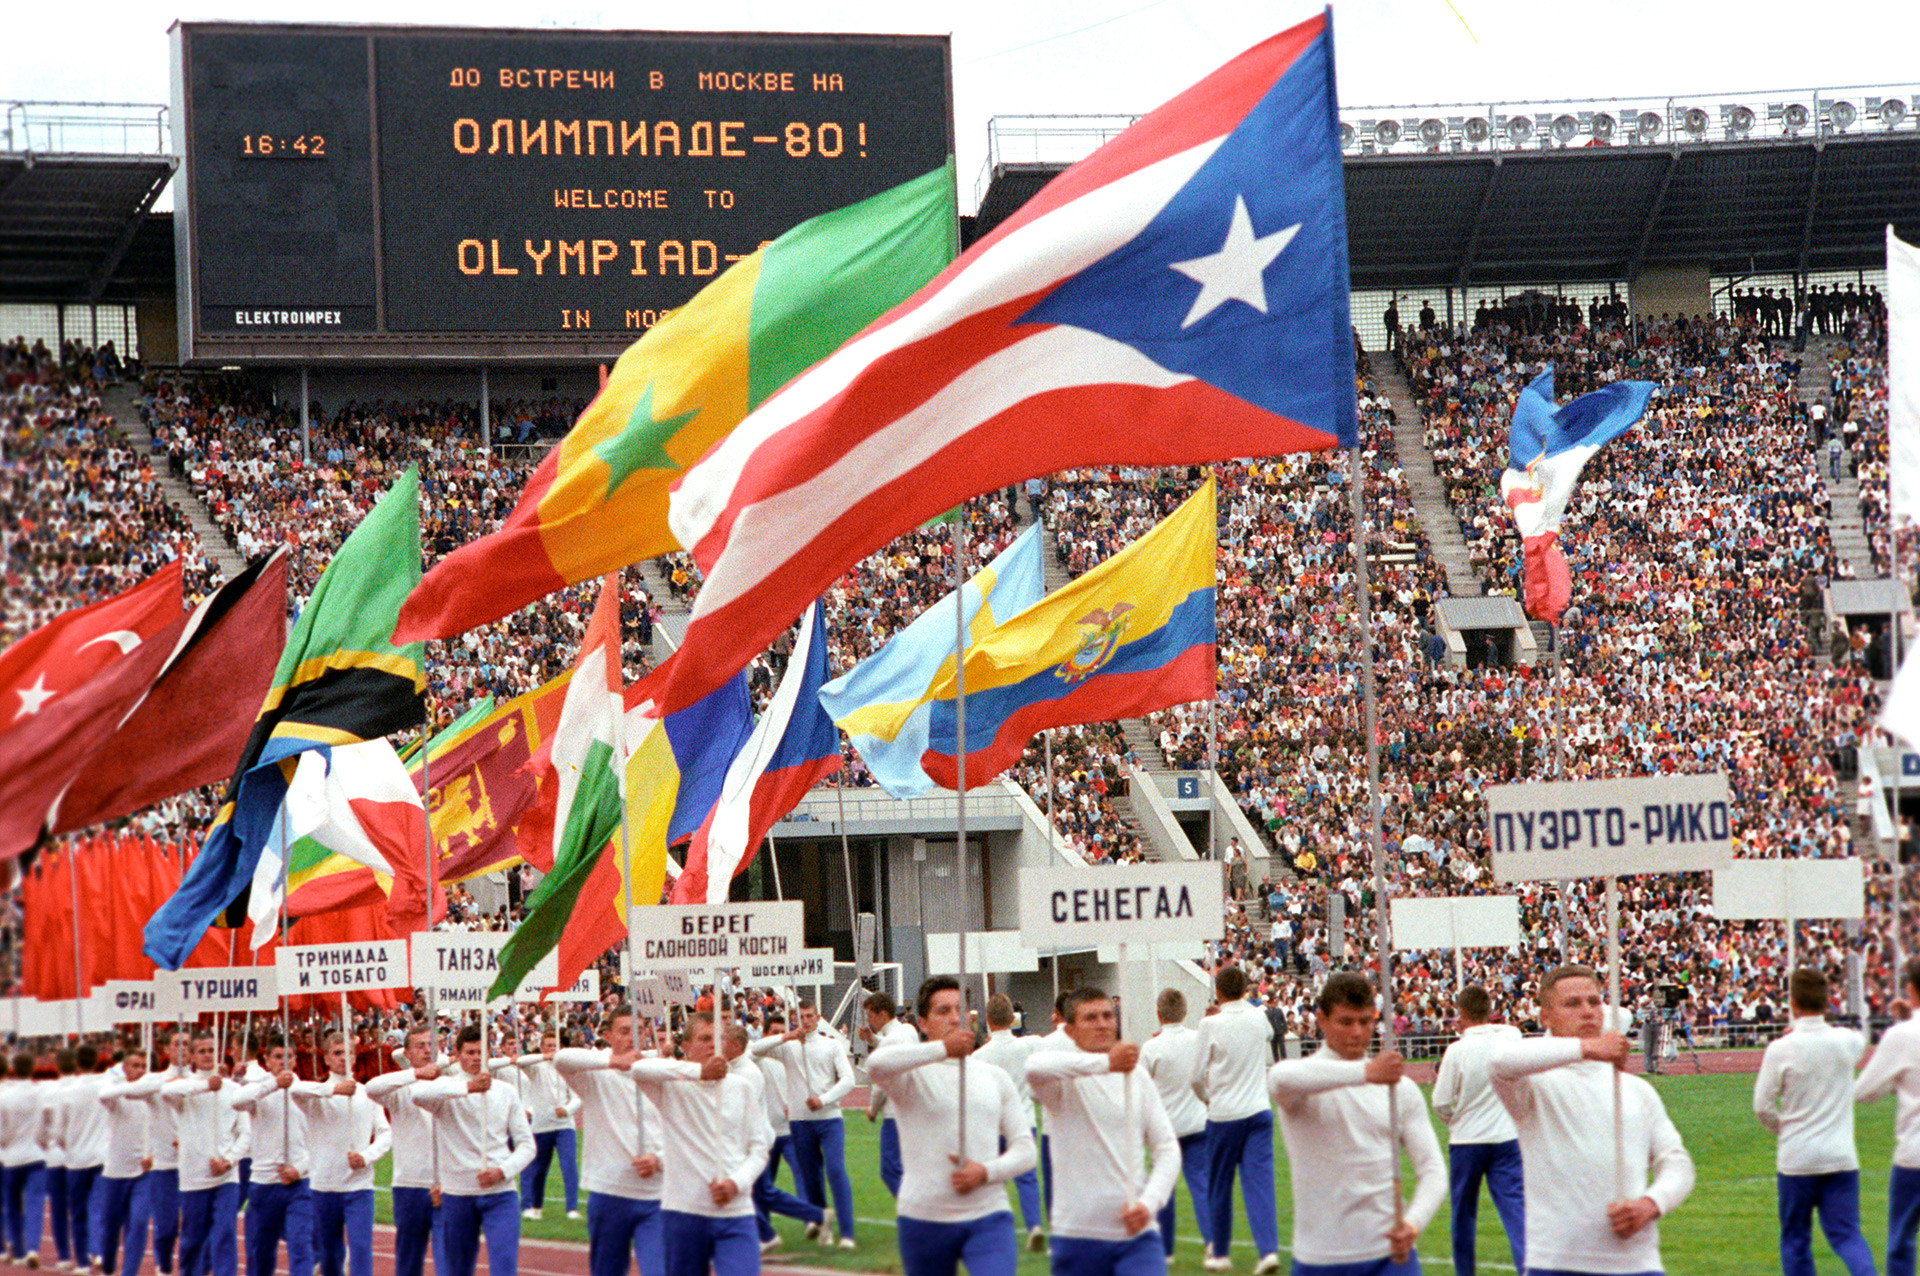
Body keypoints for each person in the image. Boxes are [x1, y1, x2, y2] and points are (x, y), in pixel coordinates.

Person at [1489, 964, 1695, 1276]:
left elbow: (1677, 1163)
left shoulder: (1637, 1091)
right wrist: (1586, 1048)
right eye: (1572, 1004)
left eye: (1594, 1002)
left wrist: (1651, 1203)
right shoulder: (1534, 1087)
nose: (1587, 1012)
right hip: (1557, 1263)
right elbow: (1500, 1062)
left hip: (1637, 1264)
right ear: (1545, 1017)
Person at [1271, 973, 1445, 1276]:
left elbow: (1432, 1170)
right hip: (1320, 1258)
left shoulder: (1398, 1089)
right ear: (1322, 1020)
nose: (1357, 1032)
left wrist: (1414, 1222)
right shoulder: (1303, 1081)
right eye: (1346, 1021)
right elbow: (1279, 1079)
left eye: (1365, 1022)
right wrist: (1365, 1073)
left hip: (1389, 1256)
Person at [867, 977, 1035, 1276]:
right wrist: (941, 1049)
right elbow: (876, 1065)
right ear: (922, 1022)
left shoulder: (994, 1077)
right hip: (923, 1218)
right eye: (943, 1011)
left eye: (960, 1009)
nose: (955, 1018)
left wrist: (986, 1171)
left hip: (989, 1216)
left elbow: (1025, 1150)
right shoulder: (911, 1076)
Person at [1027, 986, 1179, 1276]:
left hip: (1137, 1235)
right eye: (1091, 1017)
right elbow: (1034, 1068)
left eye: (1108, 1015)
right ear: (1070, 1031)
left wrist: (1149, 1203)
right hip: (1077, 1235)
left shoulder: (1137, 1076)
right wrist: (1106, 1063)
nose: (1103, 1023)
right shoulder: (1062, 1083)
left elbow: (1167, 1149)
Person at [632, 1014, 772, 1276]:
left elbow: (758, 1150)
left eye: (718, 1039)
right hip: (684, 1212)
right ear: (685, 1046)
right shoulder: (671, 1087)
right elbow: (639, 1070)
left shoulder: (742, 1087)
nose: (713, 1045)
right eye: (705, 1039)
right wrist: (699, 1072)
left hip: (735, 1212)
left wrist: (736, 1183)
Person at [1754, 968, 1872, 1276]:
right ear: (1828, 1002)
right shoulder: (1845, 1041)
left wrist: (1785, 1129)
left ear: (1793, 1003)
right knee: (1847, 1236)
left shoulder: (1780, 1049)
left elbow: (1762, 1106)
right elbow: (1862, 1040)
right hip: (1840, 1156)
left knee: (1795, 1240)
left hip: (1798, 1159)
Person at [411, 1026, 535, 1276]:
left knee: (504, 1265)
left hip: (500, 1193)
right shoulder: (446, 1088)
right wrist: (468, 1088)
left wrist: (503, 1171)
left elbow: (527, 1145)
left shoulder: (506, 1091)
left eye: (481, 1051)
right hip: (458, 1194)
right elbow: (417, 1094)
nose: (477, 1057)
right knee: (458, 1268)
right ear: (457, 1054)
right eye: (470, 1052)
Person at [553, 1007, 666, 1276]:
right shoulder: (596, 1076)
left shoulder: (661, 1072)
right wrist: (615, 1062)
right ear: (608, 1035)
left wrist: (658, 1158)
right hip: (609, 1194)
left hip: (658, 1195)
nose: (632, 1038)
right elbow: (561, 1058)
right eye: (624, 1031)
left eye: (638, 1031)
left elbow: (682, 1131)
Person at [1431, 986, 1524, 1276]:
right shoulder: (1508, 1038)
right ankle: (1529, 1267)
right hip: (1506, 1136)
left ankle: (1465, 1271)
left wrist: (1454, 1122)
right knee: (1515, 1208)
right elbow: (1507, 1031)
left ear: (1460, 1013)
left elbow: (1441, 1102)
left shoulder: (1457, 1050)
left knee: (1463, 1213)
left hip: (1467, 1140)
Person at [749, 999, 855, 1247]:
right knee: (810, 1177)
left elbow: (848, 1080)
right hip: (800, 1122)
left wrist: (824, 1099)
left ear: (818, 1018)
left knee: (836, 1170)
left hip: (829, 1119)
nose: (805, 1021)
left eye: (810, 1016)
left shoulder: (831, 1046)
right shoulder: (788, 1047)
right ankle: (823, 1228)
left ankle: (848, 1234)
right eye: (801, 1016)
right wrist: (785, 1036)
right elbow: (754, 1050)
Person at [1193, 965, 1279, 1272]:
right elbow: (1269, 1034)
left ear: (1218, 992)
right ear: (1245, 988)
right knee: (1260, 1184)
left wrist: (1207, 1097)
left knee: (1219, 1185)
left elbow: (1195, 1077)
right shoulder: (1259, 1016)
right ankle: (1268, 1249)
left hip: (1224, 1114)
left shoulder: (1209, 1025)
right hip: (1258, 1109)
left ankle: (1220, 1253)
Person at [717, 1018, 821, 1254]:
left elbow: (745, 1112)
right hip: (762, 1137)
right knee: (759, 1192)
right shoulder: (748, 1062)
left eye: (723, 1040)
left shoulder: (751, 1071)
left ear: (734, 1044)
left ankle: (803, 1221)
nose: (719, 1044)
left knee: (759, 1190)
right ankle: (768, 1234)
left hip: (764, 1139)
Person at [295, 1031, 391, 1276]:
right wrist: (334, 1090)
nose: (343, 1058)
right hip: (324, 1187)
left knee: (360, 1250)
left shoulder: (367, 1094)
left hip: (359, 1187)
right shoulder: (317, 1095)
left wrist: (367, 1156)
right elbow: (296, 1090)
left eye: (348, 1052)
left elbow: (385, 1133)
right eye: (337, 1053)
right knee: (329, 1256)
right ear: (326, 1058)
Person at [161, 1030, 248, 1276]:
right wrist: (203, 1086)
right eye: (202, 1051)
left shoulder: (232, 1089)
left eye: (211, 1050)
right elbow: (166, 1093)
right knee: (192, 1238)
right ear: (191, 1056)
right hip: (193, 1177)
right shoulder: (186, 1090)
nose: (208, 1055)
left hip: (225, 1177)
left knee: (224, 1233)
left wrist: (229, 1160)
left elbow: (245, 1134)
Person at [225, 1035, 313, 1276]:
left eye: (288, 1057)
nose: (283, 1062)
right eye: (277, 1057)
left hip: (298, 1185)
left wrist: (300, 1169)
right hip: (264, 1183)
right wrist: (273, 1084)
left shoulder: (305, 1091)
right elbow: (237, 1101)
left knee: (300, 1246)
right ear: (267, 1059)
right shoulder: (260, 1090)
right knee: (260, 1255)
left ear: (295, 1060)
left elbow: (316, 1142)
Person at [365, 1024, 447, 1276]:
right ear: (407, 1053)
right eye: (419, 1046)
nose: (426, 1051)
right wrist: (416, 1073)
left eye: (430, 1045)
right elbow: (372, 1088)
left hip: (448, 1184)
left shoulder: (452, 1085)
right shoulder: (400, 1088)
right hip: (409, 1185)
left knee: (450, 1260)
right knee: (408, 1262)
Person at [1857, 955, 1920, 1276]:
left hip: (1914, 1157)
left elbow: (1865, 1092)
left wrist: (1899, 1083)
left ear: (1910, 989)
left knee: (1901, 1243)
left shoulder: (1902, 1037)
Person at [1138, 989, 1211, 1261]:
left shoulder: (1151, 1047)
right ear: (1185, 1011)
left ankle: (1166, 1250)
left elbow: (1141, 1089)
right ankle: (1212, 1241)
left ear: (1158, 1013)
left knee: (1163, 1189)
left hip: (1166, 1128)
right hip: (1196, 1122)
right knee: (1201, 1185)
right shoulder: (1197, 1040)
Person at [974, 994, 1048, 1252]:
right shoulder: (1030, 1046)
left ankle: (993, 1231)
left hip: (995, 1124)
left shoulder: (980, 1056)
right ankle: (1034, 1226)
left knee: (994, 1180)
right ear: (1013, 1018)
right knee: (1027, 1178)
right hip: (1025, 1120)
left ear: (988, 1020)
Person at [504, 1030, 581, 1221]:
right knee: (538, 1169)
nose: (552, 1050)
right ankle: (534, 1206)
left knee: (569, 1165)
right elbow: (520, 1061)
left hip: (565, 1125)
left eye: (555, 1046)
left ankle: (572, 1208)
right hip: (541, 1125)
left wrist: (568, 1109)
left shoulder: (567, 1069)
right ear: (542, 1048)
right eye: (548, 1046)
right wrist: (544, 1056)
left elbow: (578, 1096)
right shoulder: (536, 1067)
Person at [92, 1047, 155, 1276]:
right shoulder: (116, 1095)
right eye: (134, 1066)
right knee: (111, 1230)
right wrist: (128, 1084)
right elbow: (102, 1095)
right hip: (115, 1172)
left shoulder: (152, 1096)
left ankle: (129, 1272)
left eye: (143, 1066)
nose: (139, 1070)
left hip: (142, 1173)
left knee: (138, 1225)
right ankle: (107, 1265)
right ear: (125, 1068)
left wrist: (154, 1154)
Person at [860, 993, 919, 1201]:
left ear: (882, 1015)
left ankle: (916, 1211)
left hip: (894, 1113)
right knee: (910, 1168)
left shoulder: (888, 1043)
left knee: (890, 1171)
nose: (868, 1020)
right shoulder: (909, 1030)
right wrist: (872, 1039)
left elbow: (880, 1085)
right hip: (914, 1108)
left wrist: (872, 1110)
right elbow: (893, 1046)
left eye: (870, 1015)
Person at [64, 1046, 110, 1273]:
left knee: (78, 1211)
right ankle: (99, 1252)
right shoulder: (105, 1085)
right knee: (98, 1208)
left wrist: (64, 1144)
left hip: (77, 1158)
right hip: (101, 1155)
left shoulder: (69, 1091)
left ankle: (82, 1261)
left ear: (76, 1062)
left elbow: (60, 1126)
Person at [0, 1054, 47, 1266]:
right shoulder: (41, 1092)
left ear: (13, 1068)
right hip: (36, 1154)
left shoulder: (5, 1096)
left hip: (11, 1156)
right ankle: (32, 1248)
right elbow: (47, 1122)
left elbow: (2, 1131)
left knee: (12, 1206)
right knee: (35, 1204)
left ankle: (17, 1250)